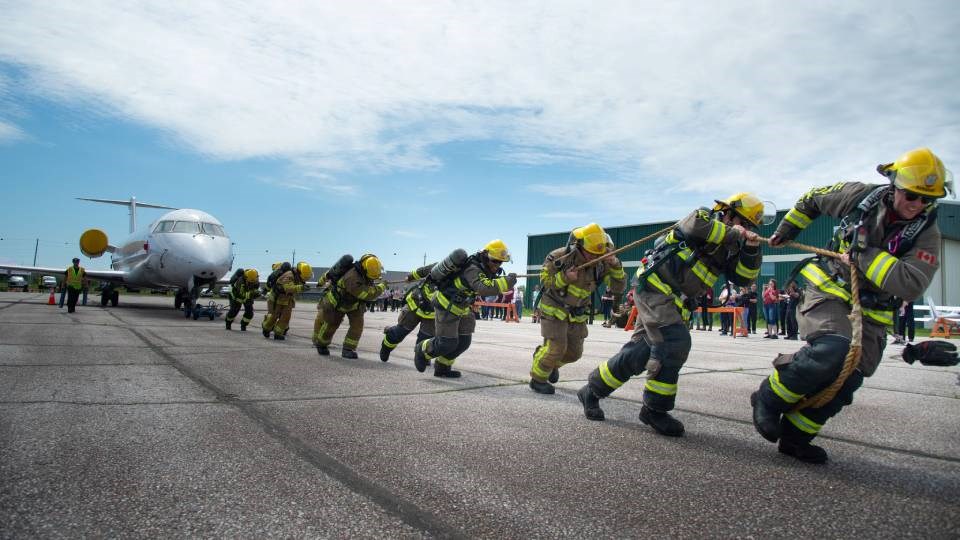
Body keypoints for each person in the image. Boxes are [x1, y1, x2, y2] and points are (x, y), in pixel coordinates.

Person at [751, 147, 959, 464]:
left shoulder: (927, 235)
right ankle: (768, 397)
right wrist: (789, 228)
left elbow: (910, 282)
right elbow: (813, 198)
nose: (916, 205)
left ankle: (796, 437)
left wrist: (863, 253)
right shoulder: (860, 197)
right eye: (911, 195)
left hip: (872, 311)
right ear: (893, 186)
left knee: (849, 379)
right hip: (829, 289)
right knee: (833, 349)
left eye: (926, 200)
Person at [578, 193, 763, 435]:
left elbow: (744, 277)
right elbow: (696, 226)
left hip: (674, 301)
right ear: (728, 213)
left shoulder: (732, 246)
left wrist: (750, 248)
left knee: (641, 352)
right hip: (655, 287)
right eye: (744, 222)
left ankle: (591, 390)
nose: (745, 228)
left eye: (750, 226)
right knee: (675, 342)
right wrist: (736, 232)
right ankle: (654, 409)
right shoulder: (703, 216)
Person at [530, 223, 626, 394]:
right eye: (590, 252)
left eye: (598, 253)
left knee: (574, 353)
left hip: (577, 313)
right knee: (556, 348)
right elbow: (545, 281)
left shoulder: (603, 262)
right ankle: (537, 380)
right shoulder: (559, 257)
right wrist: (565, 278)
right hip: (554, 310)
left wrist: (616, 266)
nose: (594, 256)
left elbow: (618, 288)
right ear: (580, 246)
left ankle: (548, 362)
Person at [413, 240, 517, 378]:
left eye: (500, 262)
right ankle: (422, 349)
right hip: (447, 305)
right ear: (485, 256)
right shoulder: (473, 268)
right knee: (446, 343)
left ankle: (442, 367)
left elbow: (486, 283)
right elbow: (484, 288)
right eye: (495, 261)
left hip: (462, 307)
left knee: (463, 342)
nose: (498, 265)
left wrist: (502, 279)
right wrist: (507, 281)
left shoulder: (485, 268)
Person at [313, 254, 386, 358]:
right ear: (364, 269)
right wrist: (381, 287)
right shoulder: (352, 277)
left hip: (354, 304)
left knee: (357, 326)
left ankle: (348, 349)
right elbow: (367, 294)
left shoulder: (366, 272)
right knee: (331, 325)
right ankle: (322, 344)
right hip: (337, 304)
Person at [380, 264, 436, 362]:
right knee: (399, 333)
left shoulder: (464, 277)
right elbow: (422, 271)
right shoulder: (441, 266)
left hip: (432, 314)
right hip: (415, 304)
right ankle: (386, 347)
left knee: (426, 337)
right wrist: (410, 277)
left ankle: (421, 357)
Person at [261, 261, 310, 340]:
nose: (303, 280)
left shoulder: (297, 276)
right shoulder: (289, 275)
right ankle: (266, 329)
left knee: (285, 318)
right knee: (273, 317)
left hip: (287, 300)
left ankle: (278, 333)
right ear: (299, 272)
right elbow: (287, 288)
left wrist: (302, 286)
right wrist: (301, 288)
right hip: (277, 300)